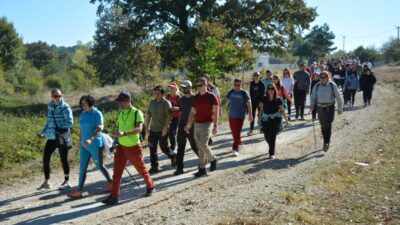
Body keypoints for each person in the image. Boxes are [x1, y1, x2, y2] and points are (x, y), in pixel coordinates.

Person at [102, 92, 155, 205]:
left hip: (133, 147)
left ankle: (151, 186)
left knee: (141, 169)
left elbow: (139, 129)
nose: (120, 103)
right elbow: (118, 131)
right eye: (120, 101)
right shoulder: (120, 114)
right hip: (121, 147)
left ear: (128, 100)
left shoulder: (137, 112)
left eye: (121, 101)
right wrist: (114, 144)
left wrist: (125, 133)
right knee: (117, 173)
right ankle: (114, 197)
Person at [68, 95, 112, 199]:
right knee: (82, 167)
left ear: (90, 103)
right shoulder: (83, 114)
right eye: (81, 103)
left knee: (99, 166)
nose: (82, 105)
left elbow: (100, 128)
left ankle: (112, 183)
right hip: (84, 145)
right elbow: (81, 130)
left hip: (95, 144)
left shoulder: (97, 113)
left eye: (84, 103)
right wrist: (79, 143)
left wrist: (91, 139)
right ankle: (79, 190)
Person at [38, 88, 73, 190]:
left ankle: (67, 181)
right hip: (52, 137)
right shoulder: (50, 106)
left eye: (59, 96)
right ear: (52, 96)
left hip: (62, 136)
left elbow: (70, 122)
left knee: (63, 159)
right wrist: (43, 132)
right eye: (55, 96)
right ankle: (47, 182)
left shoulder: (65, 107)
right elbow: (49, 122)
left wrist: (59, 128)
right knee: (45, 158)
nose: (57, 98)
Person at [184, 77, 218, 177]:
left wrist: (215, 126)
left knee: (203, 144)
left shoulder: (212, 96)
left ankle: (213, 159)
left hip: (207, 124)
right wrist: (188, 125)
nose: (198, 88)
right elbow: (192, 112)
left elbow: (216, 112)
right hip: (197, 124)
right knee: (199, 147)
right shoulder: (196, 97)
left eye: (200, 85)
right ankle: (202, 169)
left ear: (206, 85)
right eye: (197, 86)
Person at [146, 86, 177, 174]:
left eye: (158, 93)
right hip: (153, 130)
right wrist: (147, 127)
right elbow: (149, 115)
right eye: (155, 93)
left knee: (164, 148)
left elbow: (169, 117)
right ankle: (154, 166)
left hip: (162, 129)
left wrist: (165, 128)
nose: (156, 95)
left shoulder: (166, 103)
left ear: (162, 94)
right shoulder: (152, 103)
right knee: (152, 147)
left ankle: (172, 155)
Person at [310, 71, 343, 151]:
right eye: (321, 77)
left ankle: (326, 142)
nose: (323, 79)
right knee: (323, 126)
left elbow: (338, 96)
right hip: (320, 108)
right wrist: (311, 105)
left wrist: (340, 107)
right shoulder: (317, 86)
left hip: (330, 108)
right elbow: (312, 97)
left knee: (328, 125)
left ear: (328, 78)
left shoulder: (332, 85)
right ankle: (326, 142)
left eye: (324, 77)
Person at [222, 78, 253, 156]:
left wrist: (250, 115)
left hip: (240, 116)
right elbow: (224, 100)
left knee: (237, 132)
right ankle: (240, 143)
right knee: (233, 132)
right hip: (231, 115)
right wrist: (219, 108)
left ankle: (235, 148)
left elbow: (249, 105)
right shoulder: (231, 92)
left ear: (241, 84)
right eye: (235, 85)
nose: (236, 86)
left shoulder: (244, 93)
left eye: (238, 85)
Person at [258, 83, 289, 159]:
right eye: (269, 88)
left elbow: (282, 110)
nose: (270, 90)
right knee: (266, 135)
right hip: (265, 118)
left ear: (274, 90)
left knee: (272, 135)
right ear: (267, 90)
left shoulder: (278, 99)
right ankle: (271, 146)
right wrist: (259, 119)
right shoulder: (264, 98)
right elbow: (261, 110)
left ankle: (272, 153)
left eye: (272, 89)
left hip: (276, 119)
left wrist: (286, 120)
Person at [174, 80, 199, 175]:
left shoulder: (195, 98)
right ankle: (179, 168)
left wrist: (190, 124)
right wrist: (178, 126)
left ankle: (203, 160)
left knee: (194, 145)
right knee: (180, 147)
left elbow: (196, 113)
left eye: (186, 87)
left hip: (192, 125)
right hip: (182, 125)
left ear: (190, 87)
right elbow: (180, 112)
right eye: (183, 87)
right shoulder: (182, 99)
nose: (184, 89)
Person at [202, 74, 221, 145]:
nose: (205, 80)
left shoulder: (214, 89)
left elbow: (218, 100)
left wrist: (220, 110)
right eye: (204, 78)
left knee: (210, 123)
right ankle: (208, 138)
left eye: (206, 79)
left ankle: (208, 137)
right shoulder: (202, 88)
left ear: (209, 80)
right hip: (205, 108)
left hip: (213, 109)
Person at [166, 82, 181, 151]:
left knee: (173, 132)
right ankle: (173, 145)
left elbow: (182, 108)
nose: (171, 89)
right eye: (170, 87)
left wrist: (175, 108)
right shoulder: (167, 96)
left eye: (172, 87)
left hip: (176, 117)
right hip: (169, 117)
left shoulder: (179, 97)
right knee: (169, 132)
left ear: (176, 89)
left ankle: (173, 146)